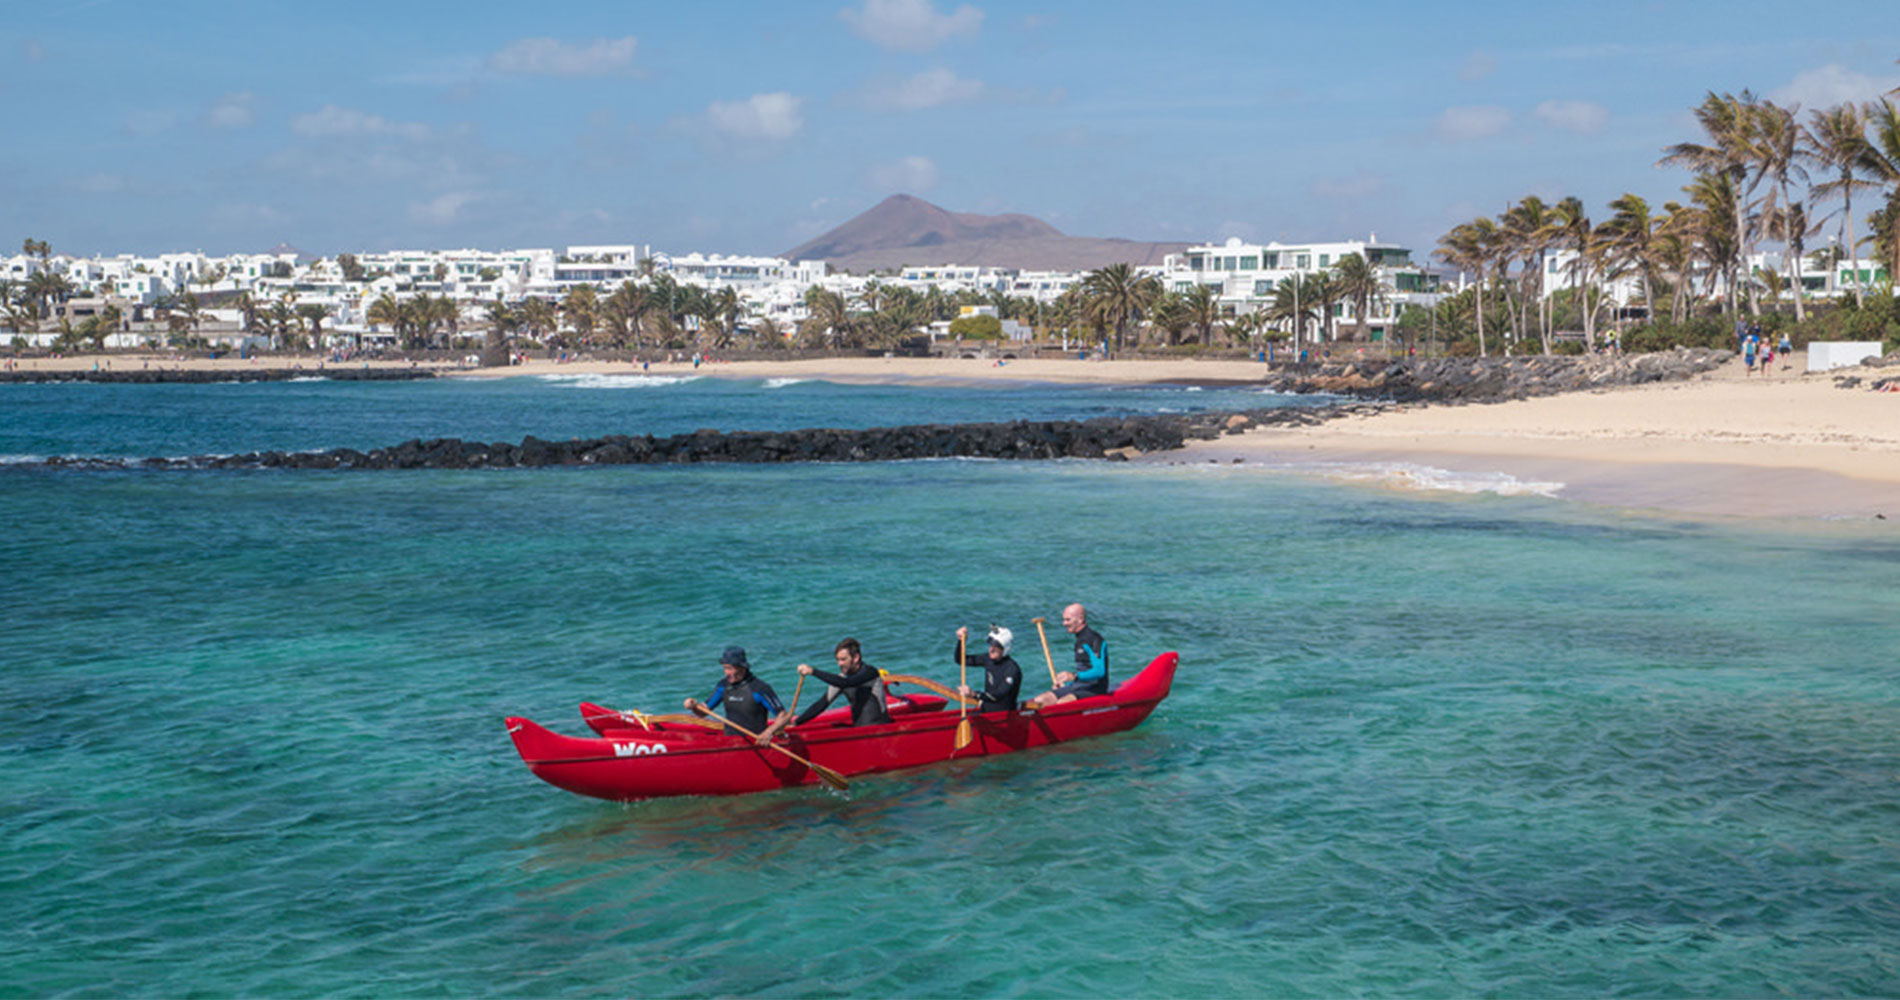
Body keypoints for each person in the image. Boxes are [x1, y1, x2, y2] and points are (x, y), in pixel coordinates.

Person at [684, 646, 788, 743]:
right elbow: (704, 711)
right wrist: (694, 706)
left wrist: (768, 733)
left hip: (754, 742)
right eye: (724, 668)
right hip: (731, 741)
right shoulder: (723, 686)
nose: (726, 673)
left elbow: (783, 716)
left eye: (729, 668)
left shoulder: (759, 688)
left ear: (742, 668)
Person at [792, 637, 891, 728]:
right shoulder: (841, 679)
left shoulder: (870, 672)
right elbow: (821, 705)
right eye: (838, 660)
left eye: (843, 659)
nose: (839, 664)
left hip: (879, 729)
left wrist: (813, 672)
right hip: (858, 730)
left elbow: (847, 683)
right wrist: (796, 723)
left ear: (856, 658)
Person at [1027, 603, 1108, 708]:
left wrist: (1073, 676)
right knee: (1037, 702)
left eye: (1067, 620)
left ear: (1080, 619)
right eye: (1063, 620)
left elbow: (1100, 671)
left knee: (1061, 704)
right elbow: (1082, 673)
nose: (1063, 623)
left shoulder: (1094, 639)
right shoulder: (1079, 640)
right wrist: (1066, 685)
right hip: (1078, 686)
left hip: (1094, 688)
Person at [953, 625, 1024, 713]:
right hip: (986, 711)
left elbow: (998, 696)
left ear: (1005, 649)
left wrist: (974, 694)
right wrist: (961, 641)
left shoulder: (1012, 669)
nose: (991, 649)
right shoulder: (988, 659)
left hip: (1003, 717)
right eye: (991, 644)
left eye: (996, 647)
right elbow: (960, 660)